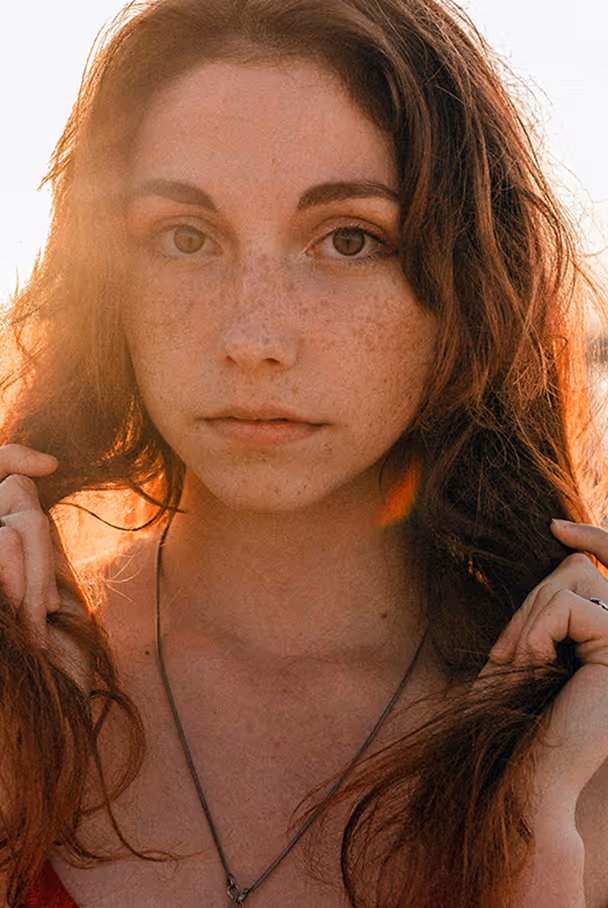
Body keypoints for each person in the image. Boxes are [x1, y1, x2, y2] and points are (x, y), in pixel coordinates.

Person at [1, 0, 608, 905]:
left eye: (348, 239)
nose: (254, 337)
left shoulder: (581, 733)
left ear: (467, 282)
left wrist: (532, 849)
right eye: (185, 238)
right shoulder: (20, 681)